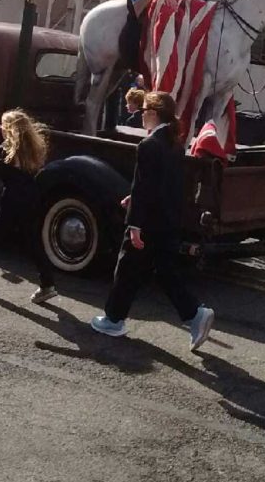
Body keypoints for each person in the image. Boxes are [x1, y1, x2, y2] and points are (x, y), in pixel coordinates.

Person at [91, 91, 214, 349]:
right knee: (165, 271)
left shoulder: (149, 146)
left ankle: (114, 320)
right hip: (166, 219)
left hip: (147, 222)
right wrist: (133, 199)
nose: (141, 115)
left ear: (154, 114)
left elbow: (145, 186)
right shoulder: (174, 144)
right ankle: (195, 314)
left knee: (126, 269)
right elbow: (161, 186)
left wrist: (134, 224)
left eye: (145, 110)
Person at [0, 109, 57, 303]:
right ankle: (47, 284)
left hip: (12, 202)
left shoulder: (5, 149)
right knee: (32, 242)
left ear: (8, 129)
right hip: (31, 201)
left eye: (2, 125)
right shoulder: (34, 148)